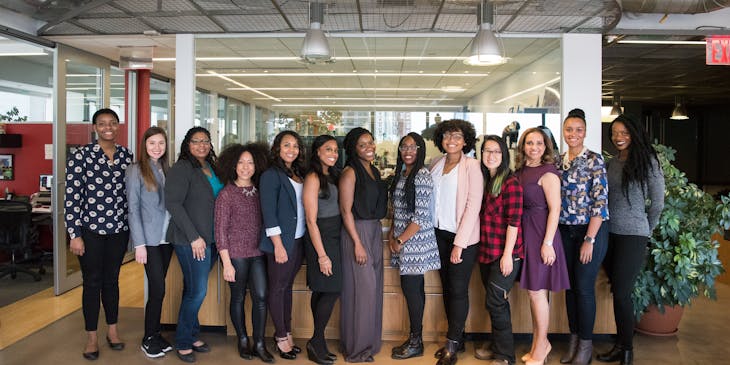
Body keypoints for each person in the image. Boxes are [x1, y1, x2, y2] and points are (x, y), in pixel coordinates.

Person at [65, 108, 132, 361]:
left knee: (112, 281)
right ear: (95, 128)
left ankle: (112, 331)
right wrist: (75, 234)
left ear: (118, 127)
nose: (108, 127)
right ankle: (92, 336)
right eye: (102, 124)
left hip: (118, 230)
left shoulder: (127, 155)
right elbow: (71, 198)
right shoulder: (81, 156)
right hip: (90, 231)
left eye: (112, 123)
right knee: (92, 282)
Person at [597, 114, 664, 365]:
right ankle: (620, 345)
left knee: (623, 293)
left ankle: (627, 350)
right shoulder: (612, 162)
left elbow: (657, 203)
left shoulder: (648, 162)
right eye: (615, 132)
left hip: (633, 235)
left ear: (634, 133)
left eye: (624, 132)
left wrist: (646, 231)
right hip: (608, 233)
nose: (619, 137)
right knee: (617, 291)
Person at [165, 126, 223, 363]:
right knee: (197, 291)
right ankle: (183, 341)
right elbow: (173, 204)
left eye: (205, 141)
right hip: (192, 240)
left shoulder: (211, 167)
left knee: (192, 289)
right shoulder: (182, 168)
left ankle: (190, 332)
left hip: (212, 238)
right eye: (196, 141)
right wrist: (194, 237)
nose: (202, 145)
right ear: (187, 145)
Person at [429, 119, 484, 365]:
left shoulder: (472, 166)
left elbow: (474, 205)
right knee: (447, 288)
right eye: (447, 136)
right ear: (441, 139)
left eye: (457, 136)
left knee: (459, 290)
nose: (451, 141)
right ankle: (456, 339)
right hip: (439, 235)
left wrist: (460, 243)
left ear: (465, 141)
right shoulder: (436, 164)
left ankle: (451, 346)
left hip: (463, 238)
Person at [557, 109, 610, 365]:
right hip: (565, 231)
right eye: (569, 129)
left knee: (584, 288)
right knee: (570, 289)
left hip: (591, 232)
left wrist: (589, 239)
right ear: (563, 131)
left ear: (585, 132)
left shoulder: (594, 160)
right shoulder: (558, 161)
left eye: (578, 129)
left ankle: (586, 347)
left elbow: (600, 202)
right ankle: (574, 341)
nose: (573, 134)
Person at [515, 127, 570, 365]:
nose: (534, 147)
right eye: (529, 143)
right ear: (523, 146)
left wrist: (547, 243)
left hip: (541, 234)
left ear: (546, 146)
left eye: (539, 143)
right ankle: (538, 344)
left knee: (538, 293)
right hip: (525, 233)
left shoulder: (549, 172)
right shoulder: (521, 170)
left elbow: (555, 209)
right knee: (533, 293)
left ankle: (542, 345)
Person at [214, 143, 273, 363]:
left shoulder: (260, 191)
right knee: (238, 297)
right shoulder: (226, 194)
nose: (246, 167)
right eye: (241, 162)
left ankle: (259, 343)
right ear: (233, 165)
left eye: (250, 162)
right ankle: (242, 339)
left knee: (261, 296)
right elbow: (220, 232)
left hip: (257, 252)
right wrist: (227, 263)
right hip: (235, 255)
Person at [387, 132, 440, 360]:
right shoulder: (401, 174)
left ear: (420, 150)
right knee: (411, 290)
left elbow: (420, 218)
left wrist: (399, 240)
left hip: (415, 243)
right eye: (404, 147)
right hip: (403, 240)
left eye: (413, 146)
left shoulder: (422, 175)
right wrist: (392, 234)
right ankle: (414, 338)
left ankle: (416, 341)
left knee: (413, 291)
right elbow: (397, 211)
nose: (408, 151)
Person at [339, 127, 388, 363]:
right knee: (361, 293)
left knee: (374, 291)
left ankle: (369, 344)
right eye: (362, 144)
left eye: (371, 142)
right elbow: (345, 211)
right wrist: (357, 243)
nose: (369, 147)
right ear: (353, 149)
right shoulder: (350, 172)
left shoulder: (374, 170)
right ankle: (356, 349)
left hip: (374, 231)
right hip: (356, 233)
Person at [474, 135, 523, 365]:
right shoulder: (484, 180)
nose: (490, 155)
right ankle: (496, 346)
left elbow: (514, 221)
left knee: (496, 301)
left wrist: (507, 255)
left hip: (506, 253)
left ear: (504, 155)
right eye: (486, 151)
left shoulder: (510, 183)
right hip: (486, 250)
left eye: (496, 151)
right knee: (492, 301)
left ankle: (505, 356)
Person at [126, 126, 173, 358]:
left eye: (161, 143)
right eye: (152, 143)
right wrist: (139, 244)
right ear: (145, 145)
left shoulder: (165, 168)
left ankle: (155, 332)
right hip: (150, 241)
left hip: (167, 239)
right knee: (157, 288)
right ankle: (148, 337)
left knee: (159, 289)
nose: (157, 147)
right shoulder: (136, 170)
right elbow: (133, 209)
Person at [259, 130, 306, 360]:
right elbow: (269, 213)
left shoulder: (297, 173)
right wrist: (277, 245)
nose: (291, 150)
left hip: (298, 240)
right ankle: (280, 337)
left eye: (295, 146)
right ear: (277, 148)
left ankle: (287, 331)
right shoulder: (270, 175)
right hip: (281, 243)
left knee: (286, 288)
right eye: (287, 145)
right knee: (277, 288)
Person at [302, 135, 343, 365]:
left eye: (336, 150)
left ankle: (318, 342)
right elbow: (310, 219)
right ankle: (316, 341)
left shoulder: (333, 174)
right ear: (317, 151)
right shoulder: (313, 177)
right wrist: (322, 255)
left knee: (322, 290)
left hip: (335, 235)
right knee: (331, 289)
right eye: (328, 149)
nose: (333, 153)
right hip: (321, 237)